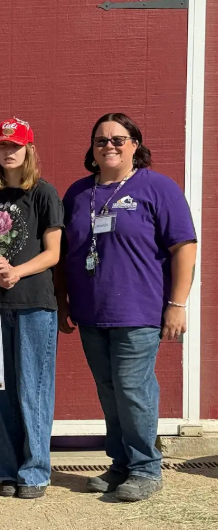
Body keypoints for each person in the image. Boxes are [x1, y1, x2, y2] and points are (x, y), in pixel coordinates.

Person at [56, 113, 197, 502]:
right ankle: (121, 464)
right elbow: (64, 253)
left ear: (135, 144)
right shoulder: (78, 193)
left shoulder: (158, 188)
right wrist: (63, 299)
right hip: (91, 312)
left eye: (118, 139)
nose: (109, 146)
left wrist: (177, 304)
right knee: (109, 390)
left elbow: (184, 247)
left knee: (133, 387)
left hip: (139, 311)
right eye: (101, 140)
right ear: (92, 148)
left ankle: (146, 468)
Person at [0, 118, 63, 499]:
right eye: (2, 145)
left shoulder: (43, 193)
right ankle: (4, 470)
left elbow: (53, 253)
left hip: (34, 304)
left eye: (16, 145)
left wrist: (16, 271)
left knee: (33, 390)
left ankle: (35, 472)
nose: (8, 152)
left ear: (29, 150)